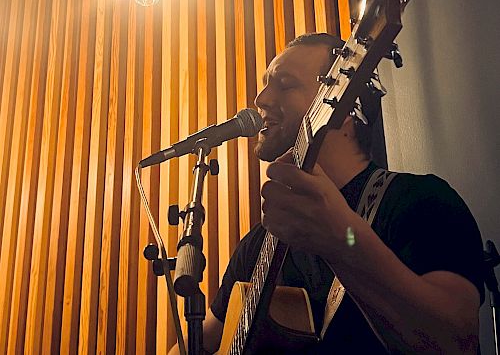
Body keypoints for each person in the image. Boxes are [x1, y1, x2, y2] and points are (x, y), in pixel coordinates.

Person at [186, 33, 485, 353]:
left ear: (341, 101)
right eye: (266, 83)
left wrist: (344, 244)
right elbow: (201, 341)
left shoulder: (420, 202)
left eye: (284, 84)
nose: (261, 99)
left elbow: (458, 341)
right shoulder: (259, 245)